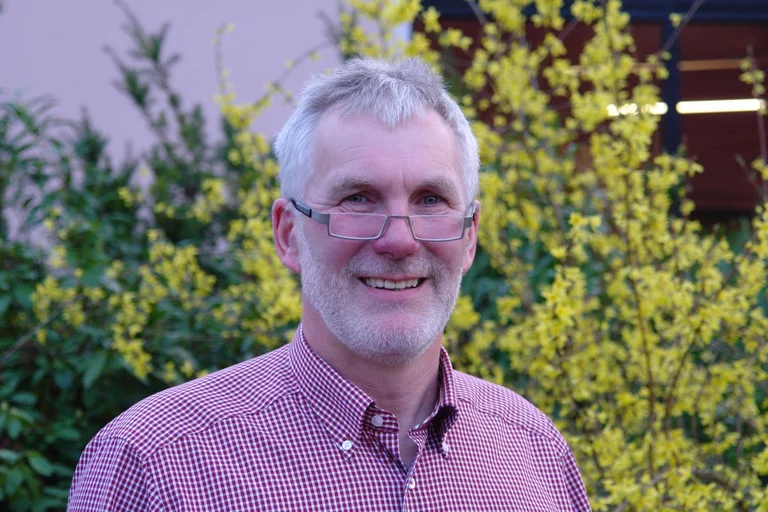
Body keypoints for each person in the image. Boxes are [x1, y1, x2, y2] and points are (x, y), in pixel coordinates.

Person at [68, 57, 591, 511]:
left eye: (431, 199)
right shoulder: (156, 464)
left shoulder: (533, 452)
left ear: (470, 237)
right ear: (289, 233)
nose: (399, 241)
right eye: (357, 199)